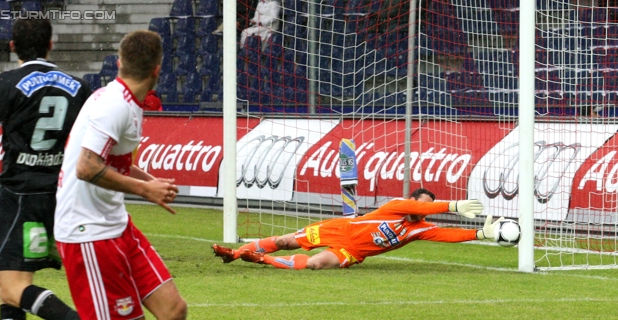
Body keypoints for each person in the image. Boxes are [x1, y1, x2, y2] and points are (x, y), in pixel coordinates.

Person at [54, 30, 187, 320]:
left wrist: (148, 181)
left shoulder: (126, 100)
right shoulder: (114, 105)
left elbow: (111, 161)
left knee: (173, 309)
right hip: (87, 230)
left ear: (119, 62)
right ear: (157, 69)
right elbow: (86, 166)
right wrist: (144, 191)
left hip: (116, 224)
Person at [0, 19, 89, 320]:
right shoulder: (80, 88)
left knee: (12, 287)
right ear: (50, 45)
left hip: (19, 195)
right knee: (14, 290)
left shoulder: (4, 84)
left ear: (12, 46)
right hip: (59, 196)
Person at [213, 188, 503, 270]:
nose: (423, 208)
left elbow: (446, 235)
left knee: (315, 264)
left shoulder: (419, 229)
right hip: (340, 229)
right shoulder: (396, 206)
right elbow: (428, 209)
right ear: (411, 201)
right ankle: (236, 253)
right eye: (421, 203)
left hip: (351, 251)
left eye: (427, 205)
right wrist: (452, 206)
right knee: (287, 240)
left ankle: (260, 259)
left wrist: (478, 234)